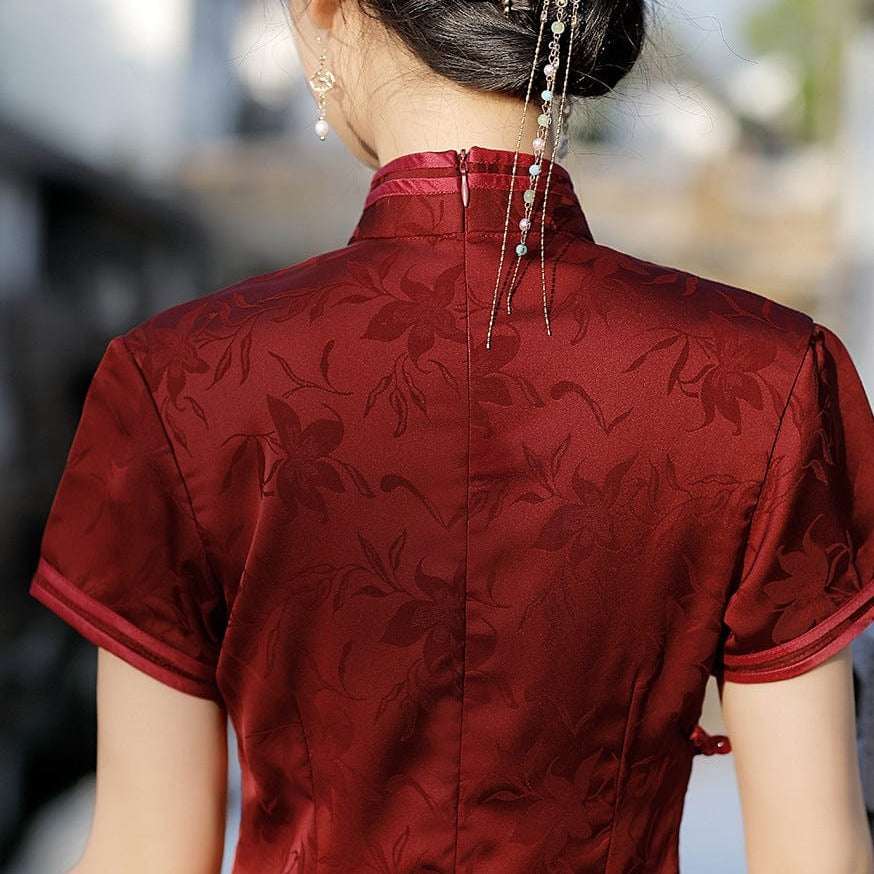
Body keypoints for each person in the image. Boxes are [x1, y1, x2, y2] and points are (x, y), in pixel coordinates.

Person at [26, 0, 874, 871]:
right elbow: (821, 858)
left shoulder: (178, 383)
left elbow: (145, 853)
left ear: (326, 12)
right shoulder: (769, 380)